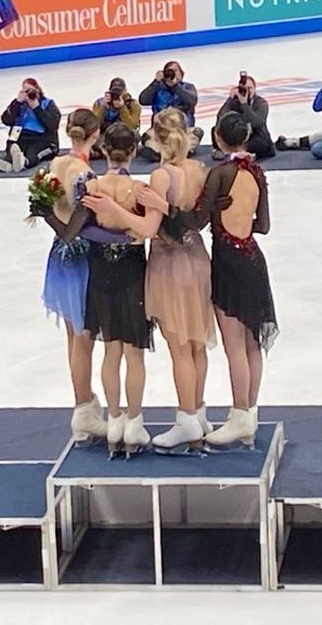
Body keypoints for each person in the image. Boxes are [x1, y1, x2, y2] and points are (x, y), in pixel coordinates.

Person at [85, 108, 216, 452]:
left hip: (170, 265)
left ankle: (187, 418)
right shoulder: (199, 169)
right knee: (197, 343)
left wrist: (114, 213)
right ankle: (198, 413)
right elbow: (197, 221)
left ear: (156, 138)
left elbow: (147, 230)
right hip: (198, 259)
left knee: (181, 349)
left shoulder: (161, 176)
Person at [44, 123, 153, 457]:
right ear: (134, 150)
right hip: (132, 271)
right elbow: (149, 231)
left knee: (110, 351)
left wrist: (46, 212)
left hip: (101, 272)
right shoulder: (139, 188)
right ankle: (134, 423)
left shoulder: (92, 186)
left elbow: (78, 230)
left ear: (104, 149)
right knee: (133, 352)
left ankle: (114, 419)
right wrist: (125, 235)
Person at [175, 112, 277, 448]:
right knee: (251, 345)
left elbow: (196, 221)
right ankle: (250, 412)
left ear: (217, 137)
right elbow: (262, 226)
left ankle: (239, 416)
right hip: (252, 258)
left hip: (229, 263)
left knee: (235, 346)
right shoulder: (256, 173)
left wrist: (165, 209)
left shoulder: (220, 173)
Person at [35, 109, 109, 443]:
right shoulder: (83, 174)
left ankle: (85, 403)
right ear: (95, 135)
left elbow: (55, 217)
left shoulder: (56, 165)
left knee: (73, 338)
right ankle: (83, 410)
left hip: (59, 260)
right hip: (80, 260)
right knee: (83, 340)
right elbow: (77, 228)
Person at [0, 77, 61, 173]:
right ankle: (8, 163)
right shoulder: (19, 104)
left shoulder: (48, 103)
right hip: (20, 136)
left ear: (37, 90)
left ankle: (24, 162)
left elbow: (53, 125)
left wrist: (36, 108)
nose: (28, 95)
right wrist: (17, 103)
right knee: (13, 147)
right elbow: (6, 120)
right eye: (24, 91)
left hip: (42, 139)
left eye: (30, 91)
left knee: (34, 152)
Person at [139, 60, 202, 161]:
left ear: (181, 73)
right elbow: (143, 100)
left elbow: (192, 101)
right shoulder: (158, 88)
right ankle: (158, 153)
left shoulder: (188, 87)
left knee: (197, 132)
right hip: (160, 132)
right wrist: (155, 82)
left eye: (175, 70)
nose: (173, 73)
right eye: (169, 71)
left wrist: (176, 86)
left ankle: (184, 150)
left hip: (182, 131)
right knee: (147, 136)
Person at [213, 75, 275, 160]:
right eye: (244, 89)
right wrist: (230, 100)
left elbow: (256, 123)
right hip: (238, 135)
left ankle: (234, 152)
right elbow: (221, 118)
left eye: (250, 88)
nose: (247, 92)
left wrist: (244, 104)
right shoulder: (234, 101)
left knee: (261, 142)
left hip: (255, 135)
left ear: (255, 89)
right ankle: (233, 152)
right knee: (216, 130)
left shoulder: (261, 103)